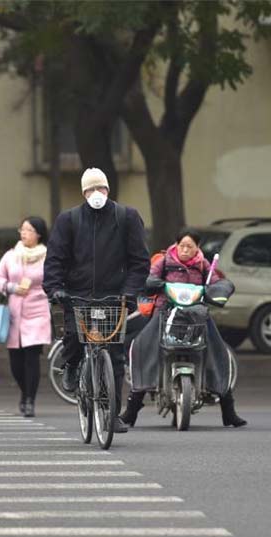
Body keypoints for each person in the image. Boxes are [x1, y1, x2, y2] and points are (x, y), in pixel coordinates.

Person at [43, 167, 150, 434]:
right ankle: (70, 365)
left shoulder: (126, 217)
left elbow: (140, 261)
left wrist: (130, 291)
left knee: (115, 355)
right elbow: (55, 259)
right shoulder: (69, 220)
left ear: (108, 189)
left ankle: (112, 414)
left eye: (100, 188)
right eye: (90, 189)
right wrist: (55, 289)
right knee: (73, 336)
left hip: (114, 297)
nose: (96, 194)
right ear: (83, 193)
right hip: (77, 296)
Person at [120, 228, 247, 428]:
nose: (185, 250)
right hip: (165, 312)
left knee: (218, 351)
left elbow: (216, 282)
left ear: (197, 248)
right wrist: (153, 283)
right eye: (182, 246)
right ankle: (132, 409)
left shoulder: (203, 265)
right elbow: (149, 277)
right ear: (176, 245)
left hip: (197, 315)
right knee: (143, 348)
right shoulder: (164, 261)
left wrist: (220, 288)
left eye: (190, 246)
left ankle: (228, 410)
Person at [0, 217, 52, 417]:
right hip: (15, 312)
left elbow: (55, 278)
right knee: (16, 362)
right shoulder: (12, 255)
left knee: (32, 357)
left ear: (39, 234)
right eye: (22, 229)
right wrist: (10, 287)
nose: (24, 233)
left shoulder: (47, 256)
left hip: (38, 310)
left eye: (28, 230)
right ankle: (25, 392)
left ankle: (30, 401)